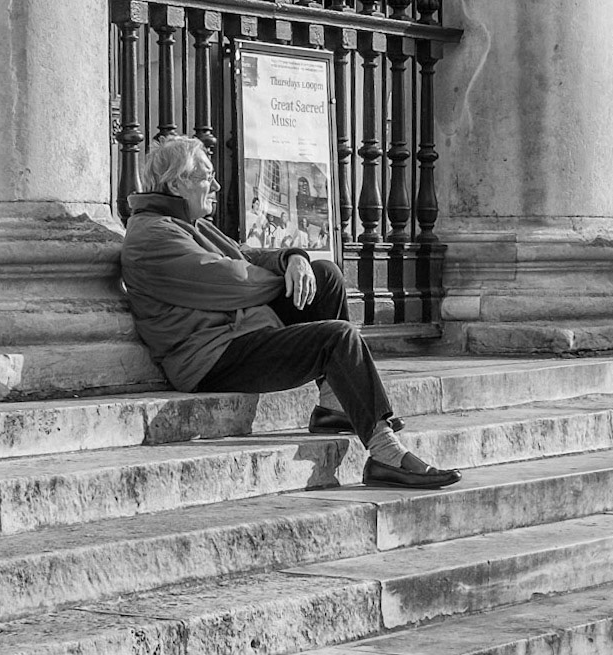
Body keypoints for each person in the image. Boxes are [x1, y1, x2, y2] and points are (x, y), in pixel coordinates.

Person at [120, 135, 459, 489]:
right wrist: (284, 275)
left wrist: (293, 258)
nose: (217, 184)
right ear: (176, 183)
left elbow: (246, 254)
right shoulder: (153, 236)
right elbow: (236, 279)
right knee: (336, 337)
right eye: (206, 176)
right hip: (209, 358)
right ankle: (385, 453)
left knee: (324, 276)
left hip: (239, 335)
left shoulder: (192, 222)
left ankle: (333, 408)